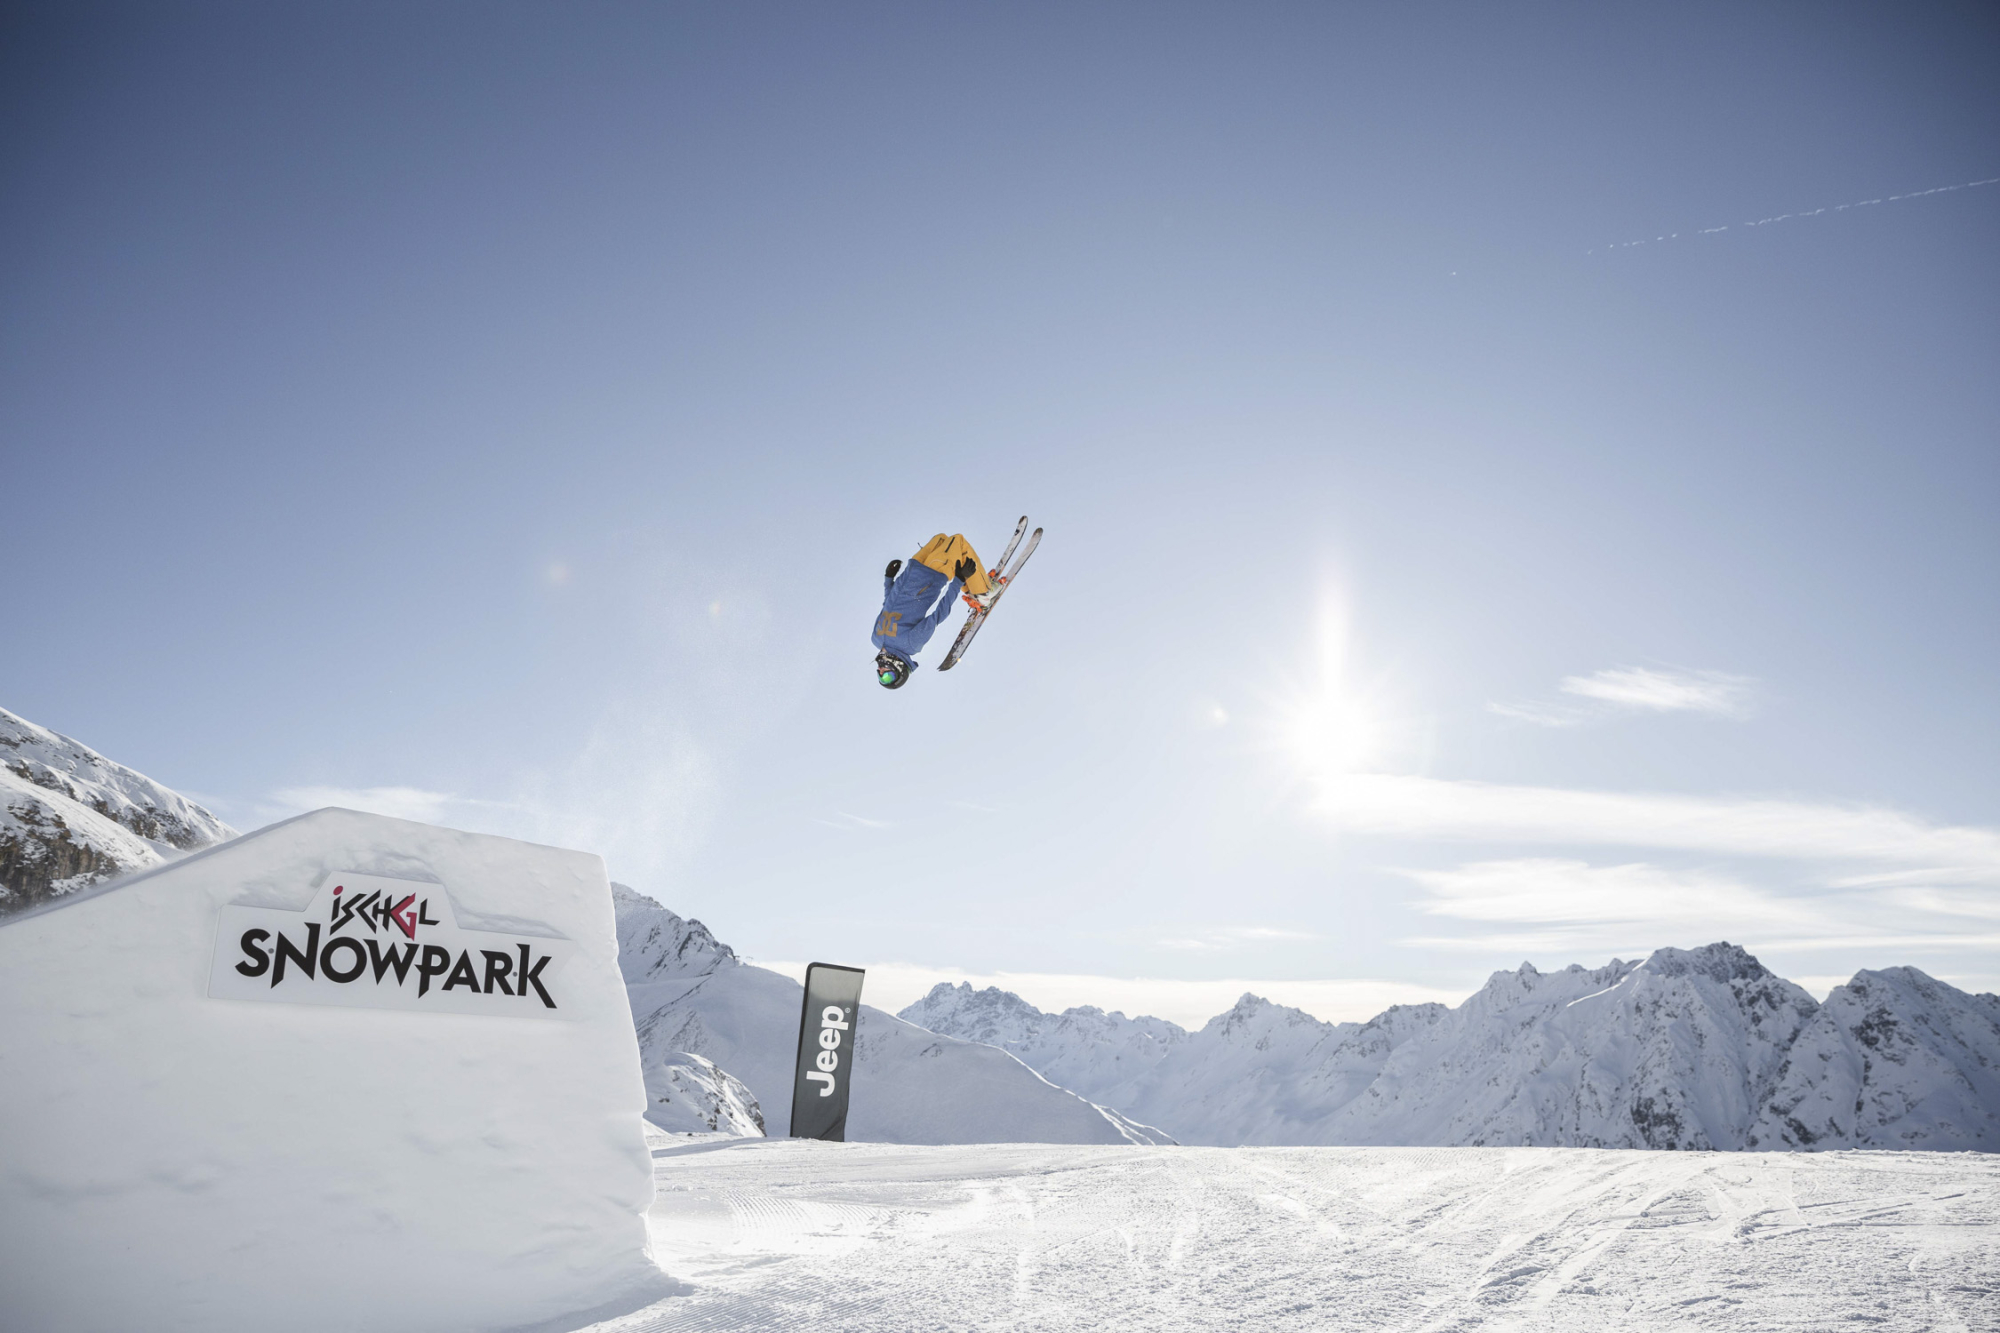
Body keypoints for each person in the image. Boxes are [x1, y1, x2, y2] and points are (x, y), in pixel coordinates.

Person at [872, 533, 994, 689]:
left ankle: (973, 588)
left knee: (940, 538)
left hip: (911, 570)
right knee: (959, 542)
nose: (881, 672)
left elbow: (888, 605)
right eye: (887, 676)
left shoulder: (876, 639)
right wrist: (958, 581)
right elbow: (938, 615)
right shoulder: (910, 644)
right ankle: (983, 592)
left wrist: (888, 580)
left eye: (880, 675)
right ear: (900, 670)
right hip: (932, 574)